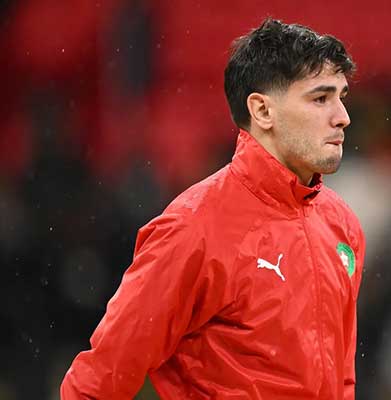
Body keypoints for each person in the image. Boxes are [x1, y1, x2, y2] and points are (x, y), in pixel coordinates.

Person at [60, 18, 365, 399]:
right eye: (320, 99)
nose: (342, 117)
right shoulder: (193, 228)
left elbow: (342, 381)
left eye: (341, 96)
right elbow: (100, 380)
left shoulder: (342, 225)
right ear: (262, 111)